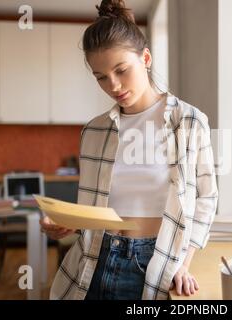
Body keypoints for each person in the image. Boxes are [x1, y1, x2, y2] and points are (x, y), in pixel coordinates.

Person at [40, 0, 218, 300]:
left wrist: (182, 263)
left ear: (145, 58)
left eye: (121, 70)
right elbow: (99, 208)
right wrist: (71, 224)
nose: (113, 85)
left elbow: (207, 199)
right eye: (100, 77)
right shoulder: (94, 131)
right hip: (93, 262)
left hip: (153, 264)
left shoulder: (188, 121)